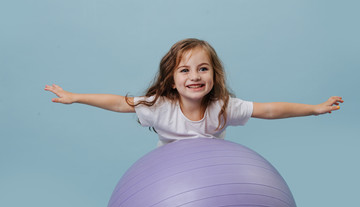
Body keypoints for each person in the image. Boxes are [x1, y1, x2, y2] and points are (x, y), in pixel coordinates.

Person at [45, 38, 343, 146]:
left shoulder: (224, 107)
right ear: (172, 81)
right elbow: (119, 103)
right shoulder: (160, 106)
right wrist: (76, 97)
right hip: (170, 175)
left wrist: (315, 108)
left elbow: (268, 110)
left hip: (215, 171)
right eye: (184, 70)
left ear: (214, 75)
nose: (195, 76)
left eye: (203, 69)